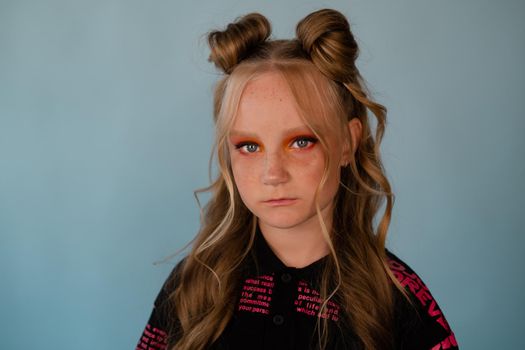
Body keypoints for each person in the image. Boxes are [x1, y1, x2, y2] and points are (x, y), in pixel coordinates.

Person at [136, 8, 458, 350]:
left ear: (348, 142)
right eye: (249, 146)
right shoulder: (194, 286)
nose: (273, 174)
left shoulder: (400, 299)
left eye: (301, 142)